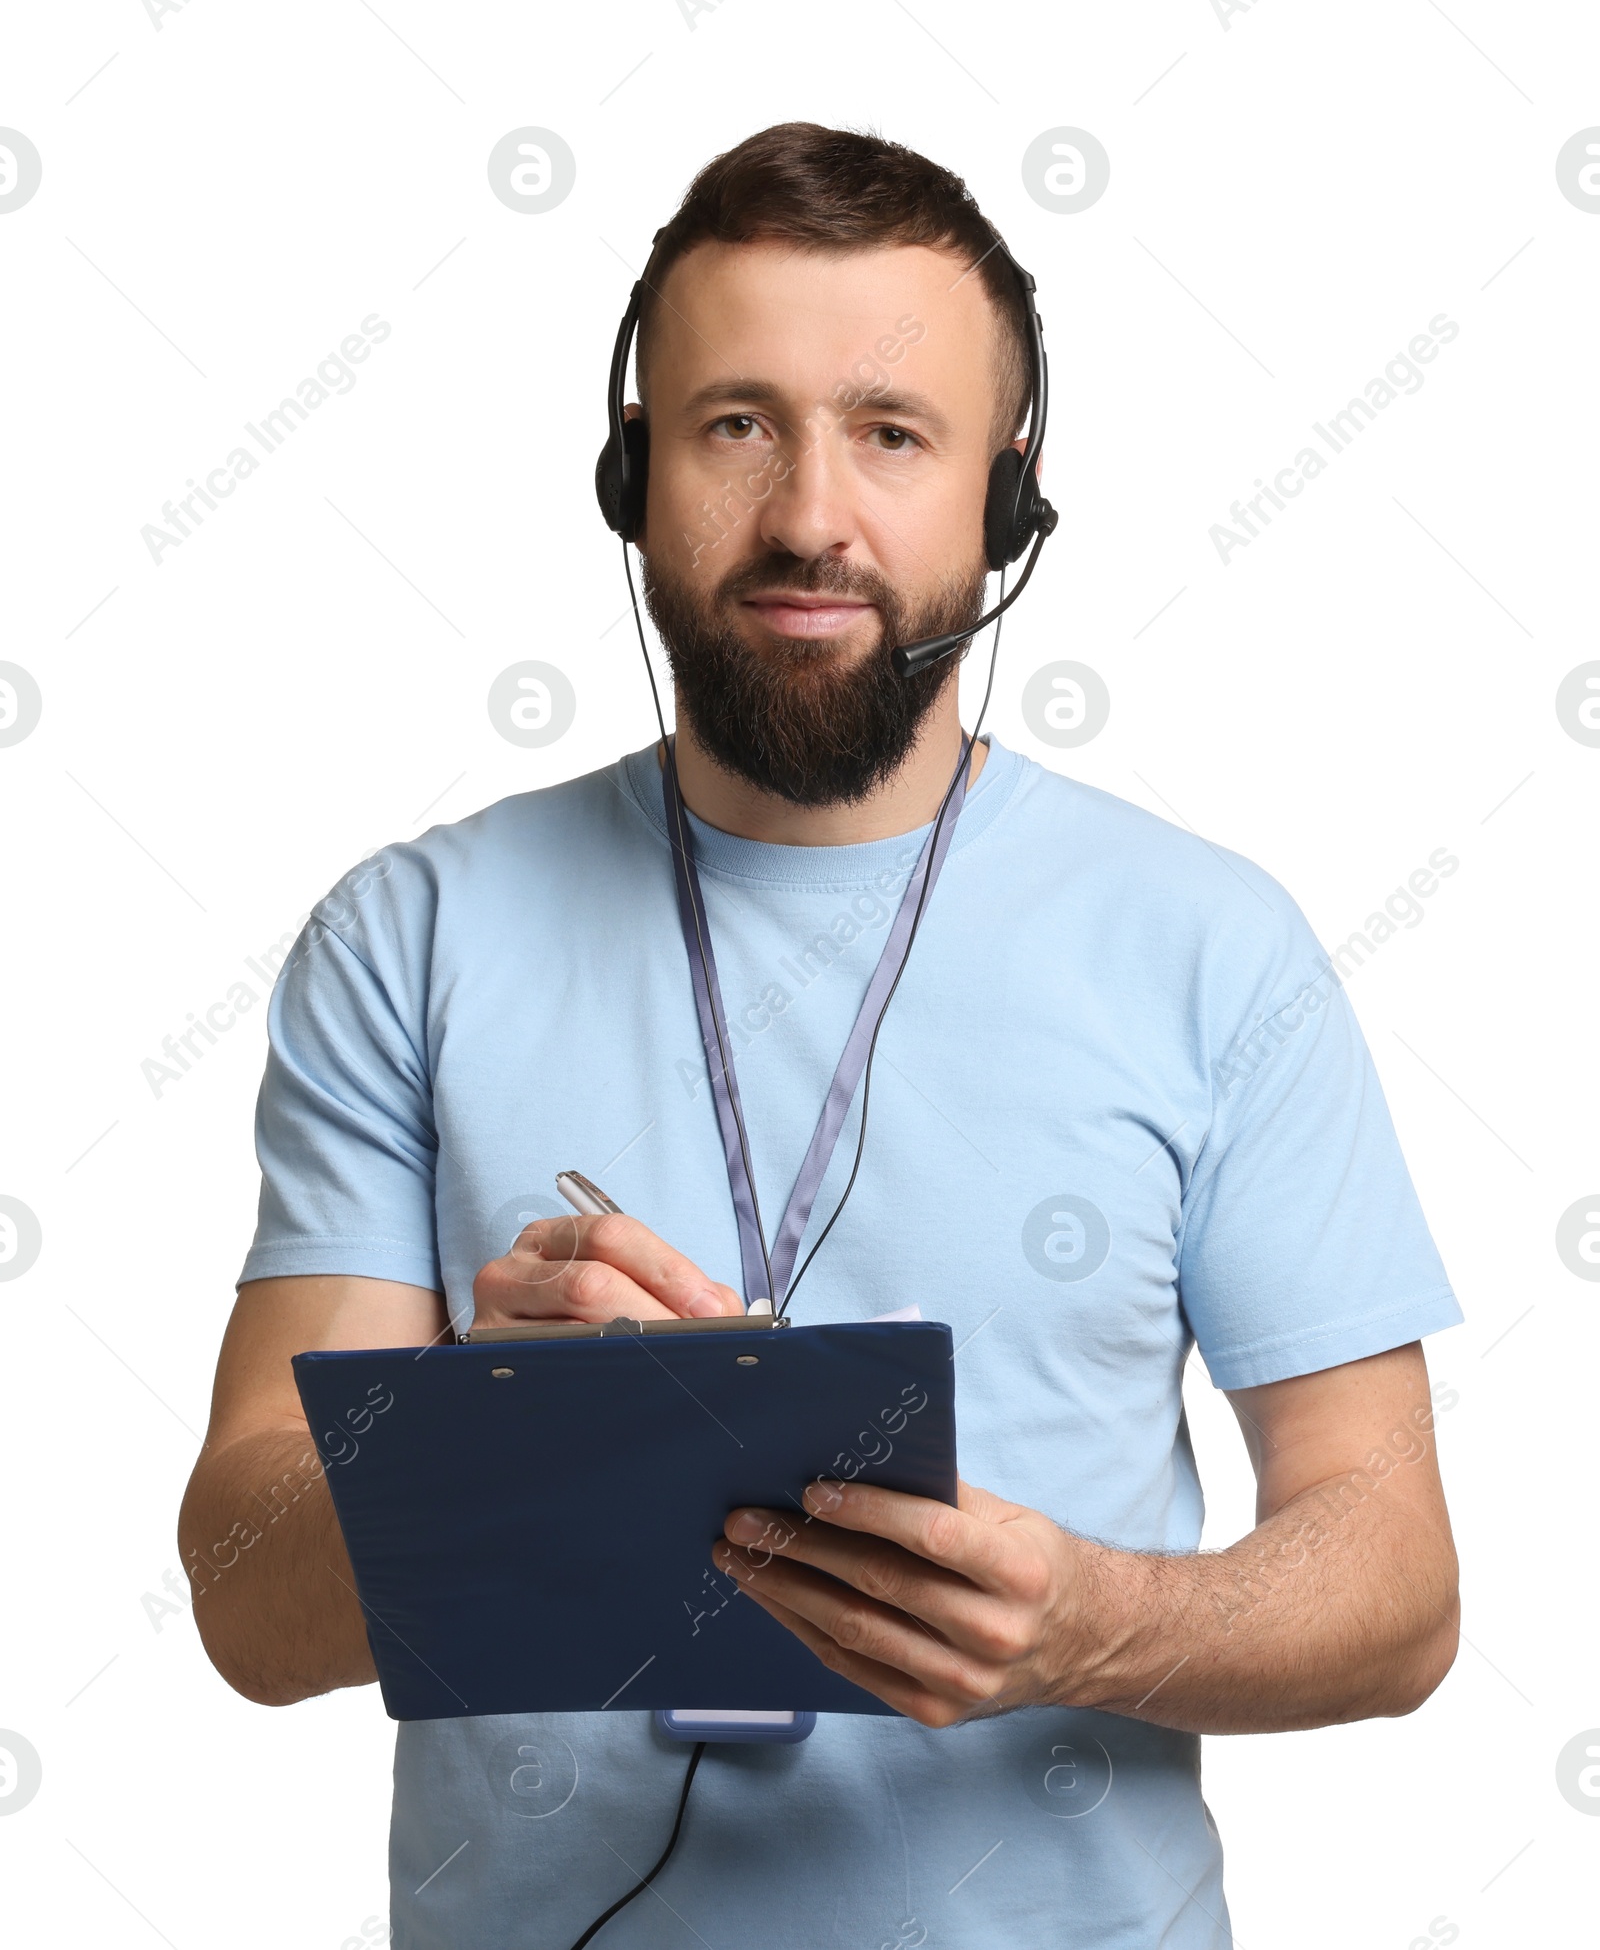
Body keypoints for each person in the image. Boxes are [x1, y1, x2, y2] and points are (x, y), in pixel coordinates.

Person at [179, 122, 1462, 1949]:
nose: (806, 516)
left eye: (891, 432)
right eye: (734, 424)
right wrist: (485, 1428)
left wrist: (1103, 1621)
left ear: (1003, 501)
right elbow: (243, 1603)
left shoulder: (1212, 947)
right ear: (631, 474)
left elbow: (1399, 1586)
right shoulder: (412, 938)